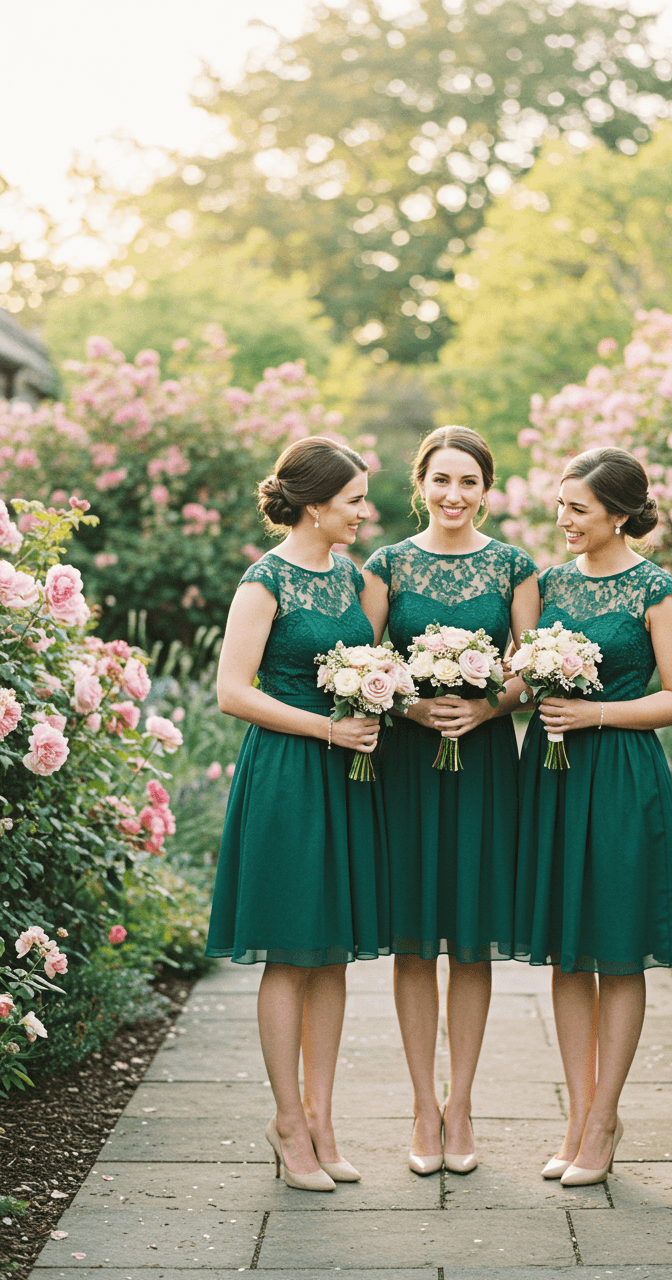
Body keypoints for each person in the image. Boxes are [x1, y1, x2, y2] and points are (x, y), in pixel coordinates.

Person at [512, 446, 672, 1187]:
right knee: (566, 947)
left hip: (620, 774)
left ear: (619, 514)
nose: (562, 519)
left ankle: (604, 1120)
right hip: (553, 777)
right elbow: (520, 673)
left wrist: (596, 714)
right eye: (560, 504)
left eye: (578, 509)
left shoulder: (658, 590)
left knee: (616, 949)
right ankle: (577, 1112)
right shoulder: (549, 585)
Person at [206, 436, 388, 1192]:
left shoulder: (349, 578)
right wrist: (326, 727)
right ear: (315, 504)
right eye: (353, 499)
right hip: (287, 771)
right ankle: (287, 1125)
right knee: (289, 952)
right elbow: (231, 690)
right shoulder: (263, 581)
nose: (363, 512)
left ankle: (322, 1119)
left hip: (347, 774)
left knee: (332, 950)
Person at [362, 426, 540, 1175]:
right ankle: (420, 1108)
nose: (455, 495)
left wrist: (491, 707)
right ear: (420, 485)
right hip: (405, 759)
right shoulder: (386, 565)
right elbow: (362, 657)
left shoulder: (515, 566)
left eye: (469, 482)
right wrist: (406, 708)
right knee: (411, 938)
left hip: (486, 761)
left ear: (487, 490)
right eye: (442, 480)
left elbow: (533, 667)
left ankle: (461, 1104)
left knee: (470, 938)